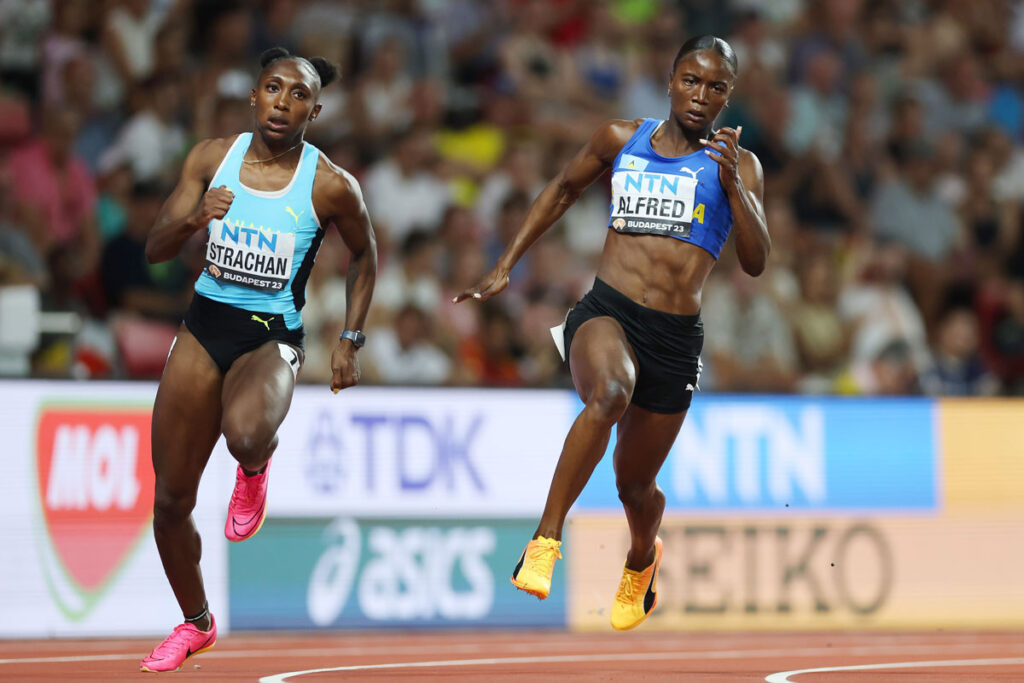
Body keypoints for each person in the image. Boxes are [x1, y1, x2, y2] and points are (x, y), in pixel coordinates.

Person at [455, 35, 769, 630]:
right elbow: (563, 188)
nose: (701, 96)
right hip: (607, 312)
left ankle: (642, 560)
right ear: (670, 79)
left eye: (716, 87)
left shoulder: (739, 166)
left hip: (675, 339)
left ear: (730, 96)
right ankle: (544, 542)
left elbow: (755, 260)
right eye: (691, 80)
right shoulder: (621, 138)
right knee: (609, 391)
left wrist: (733, 189)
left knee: (635, 487)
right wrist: (505, 265)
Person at [139, 47, 377, 672]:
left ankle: (254, 467)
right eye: (273, 88)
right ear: (254, 95)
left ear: (314, 110)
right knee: (169, 502)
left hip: (271, 336)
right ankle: (195, 623)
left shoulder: (329, 185)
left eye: (298, 94)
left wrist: (350, 338)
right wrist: (196, 218)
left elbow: (367, 256)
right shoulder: (210, 158)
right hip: (203, 326)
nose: (283, 101)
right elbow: (155, 247)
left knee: (245, 433)